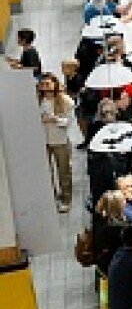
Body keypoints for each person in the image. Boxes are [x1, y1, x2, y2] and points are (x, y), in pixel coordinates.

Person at [38, 73, 74, 212]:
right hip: (43, 140)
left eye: (48, 84)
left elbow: (69, 121)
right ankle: (51, 196)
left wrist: (55, 119)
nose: (45, 87)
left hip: (60, 140)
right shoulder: (38, 100)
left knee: (63, 171)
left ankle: (66, 198)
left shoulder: (65, 101)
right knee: (46, 172)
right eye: (43, 84)